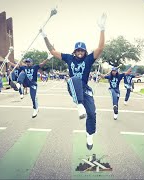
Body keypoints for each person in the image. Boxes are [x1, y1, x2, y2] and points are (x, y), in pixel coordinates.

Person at [41, 13, 107, 150]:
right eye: (78, 50)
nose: (80, 52)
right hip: (73, 85)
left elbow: (100, 48)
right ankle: (79, 106)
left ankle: (89, 135)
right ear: (74, 51)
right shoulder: (68, 58)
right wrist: (44, 36)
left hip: (85, 88)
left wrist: (102, 28)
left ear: (85, 51)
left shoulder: (89, 59)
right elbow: (52, 51)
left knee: (92, 113)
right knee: (74, 78)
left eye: (82, 50)